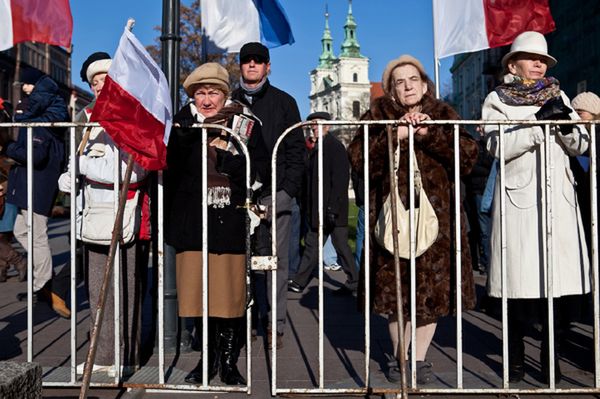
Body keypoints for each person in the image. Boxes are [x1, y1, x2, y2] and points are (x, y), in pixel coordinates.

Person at [347, 54, 478, 384]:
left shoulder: (443, 113)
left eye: (413, 80)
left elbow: (467, 157)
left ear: (424, 84)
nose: (407, 86)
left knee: (431, 295)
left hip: (438, 223)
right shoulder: (376, 116)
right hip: (391, 219)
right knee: (395, 295)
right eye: (399, 82)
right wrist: (396, 137)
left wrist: (428, 135)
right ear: (391, 89)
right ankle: (400, 357)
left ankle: (416, 360)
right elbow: (359, 159)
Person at [482, 31, 590, 384]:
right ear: (513, 63)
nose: (539, 63)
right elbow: (497, 144)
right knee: (518, 286)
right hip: (520, 204)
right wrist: (535, 125)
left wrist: (563, 124)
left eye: (542, 58)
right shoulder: (497, 98)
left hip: (558, 203)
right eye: (531, 57)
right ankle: (514, 359)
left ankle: (550, 358)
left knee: (556, 289)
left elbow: (580, 144)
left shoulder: (559, 93)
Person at [166, 62, 266, 385]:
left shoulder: (245, 123)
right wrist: (184, 137)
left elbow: (261, 167)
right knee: (199, 297)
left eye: (213, 93)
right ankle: (205, 361)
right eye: (200, 93)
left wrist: (231, 163)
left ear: (225, 95)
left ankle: (228, 361)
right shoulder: (182, 123)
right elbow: (170, 166)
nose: (206, 100)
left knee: (228, 296)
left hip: (228, 220)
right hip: (192, 221)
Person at [58, 52, 151, 377]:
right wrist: (69, 176)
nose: (99, 87)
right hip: (92, 216)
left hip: (124, 215)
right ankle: (101, 355)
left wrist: (87, 167)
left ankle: (126, 356)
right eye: (95, 82)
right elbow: (76, 161)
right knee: (97, 291)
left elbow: (135, 171)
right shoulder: (86, 118)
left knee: (125, 292)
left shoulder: (133, 118)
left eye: (105, 81)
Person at [231, 42, 306, 348]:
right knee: (240, 261)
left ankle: (275, 323)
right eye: (247, 61)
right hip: (238, 196)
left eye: (258, 61)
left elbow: (296, 150)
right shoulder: (230, 101)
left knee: (274, 261)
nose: (252, 65)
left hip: (275, 194)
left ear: (268, 67)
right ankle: (244, 317)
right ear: (240, 66)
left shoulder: (284, 102)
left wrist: (287, 191)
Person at [8, 67, 70, 318]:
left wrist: (10, 149)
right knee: (21, 230)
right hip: (30, 180)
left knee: (38, 232)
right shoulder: (40, 109)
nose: (23, 89)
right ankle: (43, 275)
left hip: (39, 181)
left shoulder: (42, 114)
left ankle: (42, 281)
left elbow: (37, 153)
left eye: (27, 85)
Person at [288, 111, 358, 295]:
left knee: (341, 246)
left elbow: (340, 180)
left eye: (318, 124)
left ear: (327, 126)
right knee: (313, 245)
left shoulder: (334, 147)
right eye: (312, 124)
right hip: (319, 209)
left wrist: (332, 209)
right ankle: (299, 281)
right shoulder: (318, 147)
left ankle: (355, 282)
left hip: (331, 209)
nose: (314, 127)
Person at [463, 126, 494, 273]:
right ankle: (486, 262)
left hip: (490, 191)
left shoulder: (492, 145)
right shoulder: (476, 147)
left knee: (492, 228)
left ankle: (490, 261)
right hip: (479, 192)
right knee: (483, 230)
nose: (479, 129)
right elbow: (472, 169)